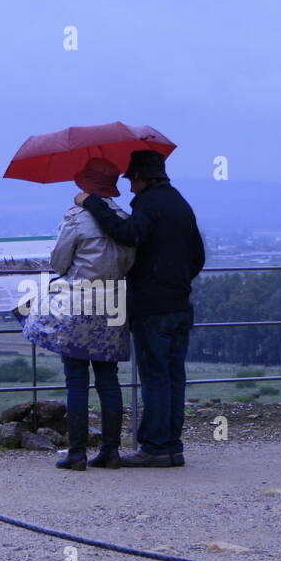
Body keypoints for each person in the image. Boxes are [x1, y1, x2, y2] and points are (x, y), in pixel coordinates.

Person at [75, 149, 204, 467]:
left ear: (143, 178)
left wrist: (90, 201)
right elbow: (197, 256)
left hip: (152, 307)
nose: (130, 186)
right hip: (180, 305)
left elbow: (127, 234)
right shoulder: (179, 203)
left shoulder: (150, 203)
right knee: (175, 377)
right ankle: (172, 446)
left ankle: (156, 448)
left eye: (132, 179)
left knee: (155, 377)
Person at [20, 157, 134, 470]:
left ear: (85, 186)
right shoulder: (125, 218)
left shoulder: (75, 219)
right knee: (108, 380)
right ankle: (111, 451)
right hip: (113, 303)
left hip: (78, 303)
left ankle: (77, 452)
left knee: (76, 379)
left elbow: (58, 263)